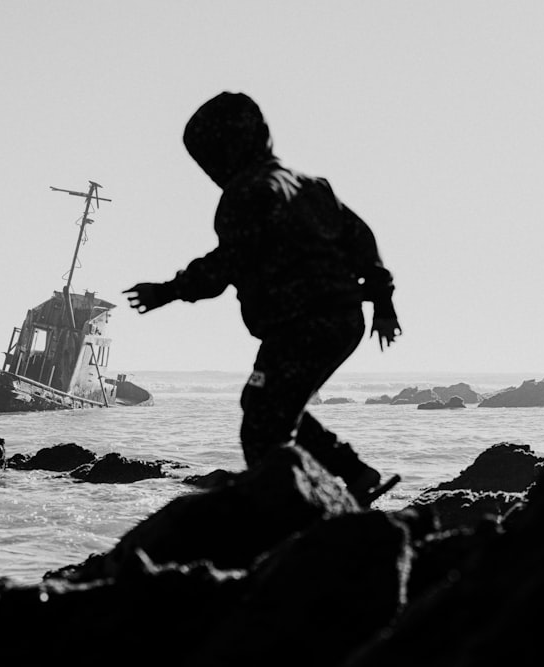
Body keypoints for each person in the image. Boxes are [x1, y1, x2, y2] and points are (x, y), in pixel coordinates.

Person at [124, 91, 401, 506]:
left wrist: (169, 290)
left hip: (302, 323)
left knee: (262, 427)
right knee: (267, 404)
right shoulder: (311, 186)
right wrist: (383, 304)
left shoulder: (248, 192)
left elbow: (229, 261)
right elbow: (363, 241)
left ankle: (288, 512)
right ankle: (355, 475)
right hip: (344, 319)